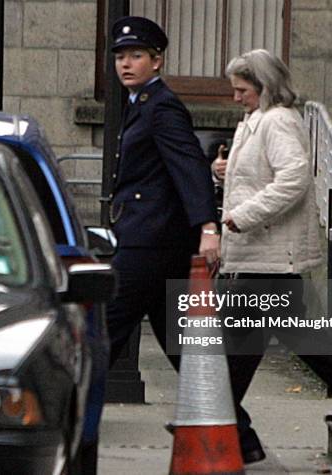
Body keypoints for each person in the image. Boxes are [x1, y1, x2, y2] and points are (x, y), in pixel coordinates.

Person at [214, 49, 332, 464]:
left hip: (270, 253)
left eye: (242, 90)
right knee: (294, 337)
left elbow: (292, 179)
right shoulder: (256, 122)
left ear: (264, 87)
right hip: (262, 254)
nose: (235, 98)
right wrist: (226, 173)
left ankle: (222, 420)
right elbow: (261, 177)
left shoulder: (277, 122)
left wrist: (242, 217)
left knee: (234, 348)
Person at [105, 16, 220, 372]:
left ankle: (65, 416)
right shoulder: (140, 102)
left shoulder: (161, 106)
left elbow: (190, 166)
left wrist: (208, 227)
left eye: (136, 55)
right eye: (120, 56)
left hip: (150, 241)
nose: (125, 63)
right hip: (150, 237)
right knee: (183, 349)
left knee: (104, 334)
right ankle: (232, 424)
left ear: (156, 61)